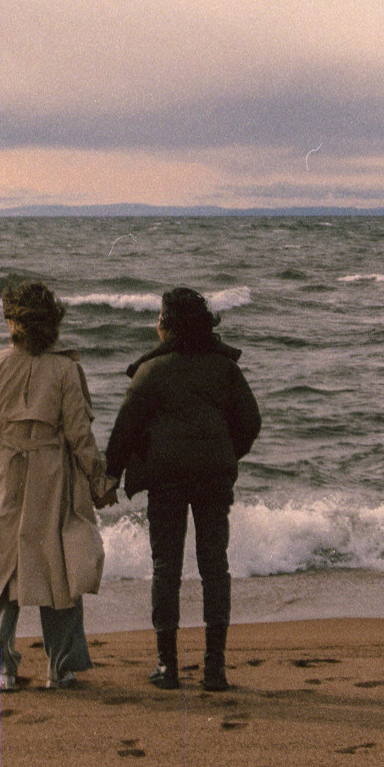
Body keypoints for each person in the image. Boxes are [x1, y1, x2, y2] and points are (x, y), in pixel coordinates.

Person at [105, 286, 260, 692]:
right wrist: (227, 453)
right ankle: (214, 668)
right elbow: (250, 421)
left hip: (166, 478)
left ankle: (167, 666)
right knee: (215, 568)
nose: (155, 323)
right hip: (213, 477)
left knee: (165, 569)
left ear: (169, 326)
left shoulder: (151, 372)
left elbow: (124, 430)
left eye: (159, 317)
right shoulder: (225, 369)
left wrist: (110, 474)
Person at [0, 279, 116, 691]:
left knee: (4, 569)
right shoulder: (67, 369)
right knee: (59, 567)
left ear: (14, 323)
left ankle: (2, 668)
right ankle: (63, 666)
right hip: (52, 474)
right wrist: (98, 479)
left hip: (4, 472)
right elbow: (79, 434)